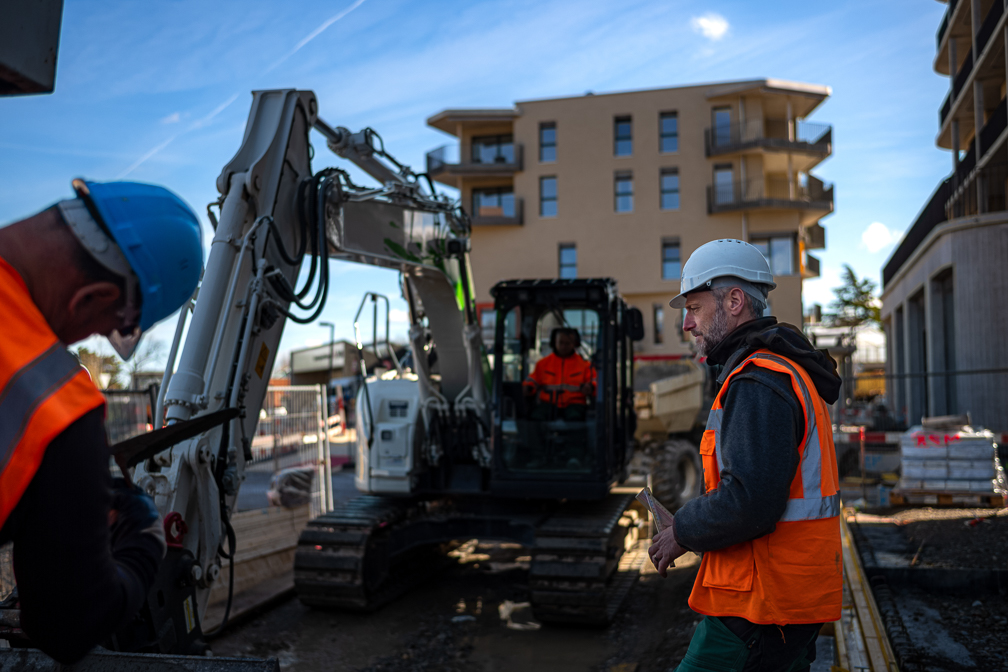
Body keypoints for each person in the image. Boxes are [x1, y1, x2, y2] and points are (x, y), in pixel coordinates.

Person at [0, 179, 203, 663]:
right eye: (116, 325)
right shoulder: (53, 405)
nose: (88, 337)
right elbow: (67, 626)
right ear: (91, 296)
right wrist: (145, 546)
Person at [648, 239, 843, 672]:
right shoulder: (778, 371)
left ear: (734, 301)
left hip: (760, 609)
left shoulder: (759, 380)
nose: (687, 324)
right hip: (782, 602)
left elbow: (751, 502)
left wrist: (682, 529)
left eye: (694, 308)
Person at [522, 327, 596, 421]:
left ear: (575, 344)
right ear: (554, 343)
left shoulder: (585, 365)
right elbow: (532, 380)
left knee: (575, 419)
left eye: (567, 343)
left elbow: (595, 381)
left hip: (575, 404)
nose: (564, 346)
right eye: (561, 343)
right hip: (548, 404)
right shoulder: (543, 364)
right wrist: (528, 387)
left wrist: (590, 387)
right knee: (536, 418)